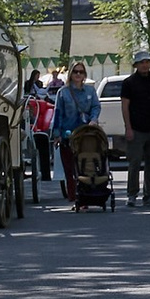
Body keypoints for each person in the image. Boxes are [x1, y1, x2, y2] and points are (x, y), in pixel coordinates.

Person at [117, 51, 150, 205]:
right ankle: (131, 195)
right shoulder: (129, 83)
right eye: (141, 62)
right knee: (134, 163)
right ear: (136, 65)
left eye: (147, 62)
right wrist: (128, 128)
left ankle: (149, 195)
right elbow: (125, 106)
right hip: (136, 129)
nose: (145, 65)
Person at [51, 57, 101, 198]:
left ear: (85, 74)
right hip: (68, 135)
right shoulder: (63, 92)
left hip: (86, 134)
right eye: (75, 72)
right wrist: (57, 134)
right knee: (69, 169)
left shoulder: (90, 91)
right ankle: (74, 197)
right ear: (70, 74)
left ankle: (85, 196)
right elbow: (58, 113)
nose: (78, 74)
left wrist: (93, 119)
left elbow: (96, 107)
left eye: (81, 72)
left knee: (85, 166)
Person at [26, 67, 59, 199]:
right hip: (32, 102)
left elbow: (43, 93)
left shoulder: (45, 85)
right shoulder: (30, 85)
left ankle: (45, 171)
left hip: (38, 103)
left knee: (42, 136)